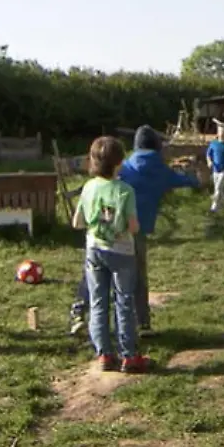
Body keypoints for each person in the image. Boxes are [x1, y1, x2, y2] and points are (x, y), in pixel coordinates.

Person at [70, 125, 201, 337]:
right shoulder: (163, 172)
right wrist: (196, 178)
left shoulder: (124, 168)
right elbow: (188, 180)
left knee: (94, 275)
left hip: (104, 229)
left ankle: (80, 313)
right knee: (137, 278)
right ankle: (142, 323)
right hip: (135, 232)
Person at [71, 136, 150, 373]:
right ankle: (129, 355)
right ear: (119, 163)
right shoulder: (125, 191)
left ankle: (104, 354)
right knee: (124, 302)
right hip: (122, 252)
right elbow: (133, 227)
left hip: (94, 249)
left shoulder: (88, 187)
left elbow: (77, 222)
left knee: (98, 301)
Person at [206, 124, 224, 212]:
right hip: (215, 169)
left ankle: (214, 206)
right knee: (219, 188)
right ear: (217, 133)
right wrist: (209, 161)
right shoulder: (213, 144)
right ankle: (223, 200)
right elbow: (208, 154)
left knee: (218, 187)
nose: (222, 134)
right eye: (220, 132)